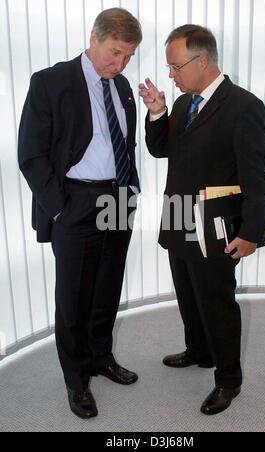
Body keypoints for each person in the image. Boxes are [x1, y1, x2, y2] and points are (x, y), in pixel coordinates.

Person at [139, 25, 265, 415]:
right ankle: (199, 351)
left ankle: (228, 380)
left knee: (217, 303)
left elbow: (256, 176)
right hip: (178, 218)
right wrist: (157, 112)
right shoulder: (183, 103)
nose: (170, 74)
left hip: (215, 225)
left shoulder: (244, 106)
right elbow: (162, 149)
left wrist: (251, 232)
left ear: (201, 61)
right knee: (187, 294)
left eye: (174, 66)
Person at [18, 8, 142, 419]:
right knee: (73, 296)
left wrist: (131, 191)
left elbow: (126, 144)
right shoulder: (51, 82)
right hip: (76, 201)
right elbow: (31, 155)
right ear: (94, 37)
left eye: (128, 56)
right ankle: (76, 379)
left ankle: (101, 357)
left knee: (108, 285)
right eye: (114, 52)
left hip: (118, 199)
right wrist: (60, 208)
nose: (120, 63)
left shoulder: (122, 87)